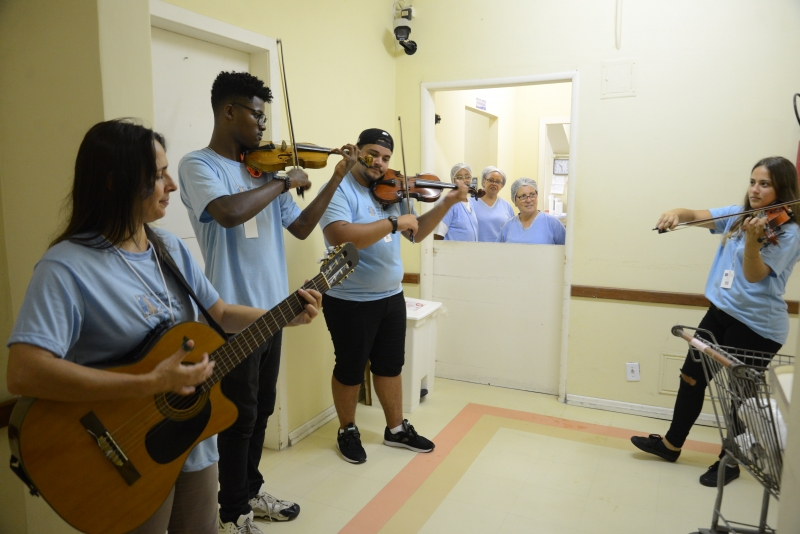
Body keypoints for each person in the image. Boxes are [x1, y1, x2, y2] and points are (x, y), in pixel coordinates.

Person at [5, 120, 322, 534]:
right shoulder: (65, 267)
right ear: (115, 184)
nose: (171, 185)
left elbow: (221, 313)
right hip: (121, 452)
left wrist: (285, 315)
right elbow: (24, 371)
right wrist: (148, 383)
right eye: (157, 175)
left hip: (193, 443)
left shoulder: (166, 247)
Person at [178, 71, 357, 533]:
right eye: (256, 115)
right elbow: (228, 213)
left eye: (265, 116)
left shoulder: (261, 171)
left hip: (275, 313)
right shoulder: (198, 165)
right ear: (229, 111)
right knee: (237, 416)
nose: (262, 125)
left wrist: (333, 178)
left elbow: (299, 228)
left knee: (261, 411)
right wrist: (281, 183)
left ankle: (250, 492)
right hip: (231, 316)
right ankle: (232, 510)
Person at [631, 156, 800, 487]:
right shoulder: (741, 218)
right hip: (720, 314)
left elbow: (754, 277)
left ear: (782, 188)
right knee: (691, 378)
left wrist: (753, 244)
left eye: (764, 184)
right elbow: (694, 215)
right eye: (753, 181)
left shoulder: (789, 232)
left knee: (739, 396)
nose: (755, 189)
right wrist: (674, 215)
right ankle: (670, 445)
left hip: (757, 327)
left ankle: (731, 461)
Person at [318, 128, 469, 464]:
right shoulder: (341, 190)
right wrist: (392, 223)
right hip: (349, 300)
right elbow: (339, 235)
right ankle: (347, 429)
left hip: (391, 297)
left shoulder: (392, 190)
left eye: (386, 158)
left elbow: (415, 231)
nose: (380, 163)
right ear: (357, 151)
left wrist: (447, 201)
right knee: (350, 369)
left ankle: (396, 429)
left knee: (390, 365)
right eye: (373, 154)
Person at [498, 177, 565, 245]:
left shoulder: (552, 223)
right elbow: (497, 251)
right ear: (514, 201)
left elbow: (568, 250)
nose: (529, 200)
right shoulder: (508, 226)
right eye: (523, 196)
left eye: (532, 195)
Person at [433, 163, 479, 241]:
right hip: (452, 252)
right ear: (453, 180)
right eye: (459, 177)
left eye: (467, 177)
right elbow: (437, 236)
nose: (464, 180)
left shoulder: (470, 203)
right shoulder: (448, 204)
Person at [471, 166, 515, 242]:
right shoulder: (471, 203)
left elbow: (512, 231)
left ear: (502, 186)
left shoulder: (507, 206)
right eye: (491, 180)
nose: (494, 184)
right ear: (483, 182)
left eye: (498, 182)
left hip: (500, 251)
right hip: (476, 250)